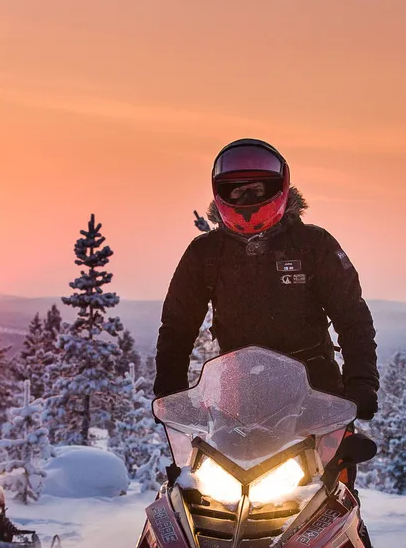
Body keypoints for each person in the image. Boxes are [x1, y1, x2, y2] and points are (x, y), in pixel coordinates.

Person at [153, 138, 379, 422]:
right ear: (221, 192)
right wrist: (170, 392)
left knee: (347, 451)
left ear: (278, 188)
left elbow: (352, 317)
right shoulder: (206, 253)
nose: (247, 199)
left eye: (257, 189)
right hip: (237, 403)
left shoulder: (313, 245)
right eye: (237, 191)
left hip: (315, 398)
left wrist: (361, 383)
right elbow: (177, 327)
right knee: (201, 453)